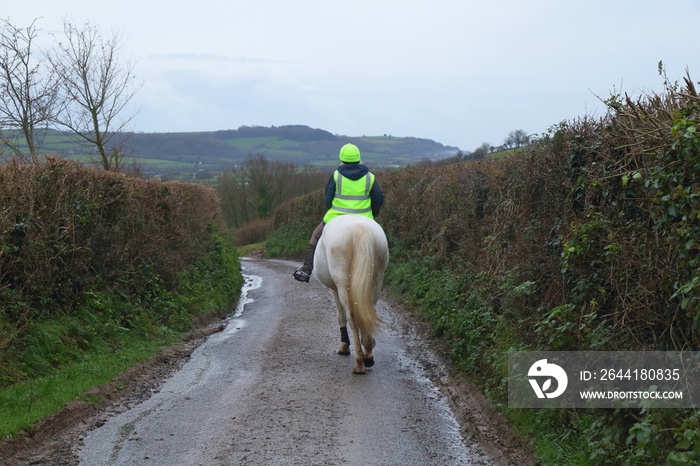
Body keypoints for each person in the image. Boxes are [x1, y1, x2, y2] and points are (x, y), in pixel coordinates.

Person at [293, 143, 384, 282]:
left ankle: (306, 270)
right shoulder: (369, 177)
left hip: (336, 216)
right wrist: (374, 214)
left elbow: (328, 199)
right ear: (359, 159)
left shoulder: (336, 176)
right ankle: (381, 275)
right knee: (382, 241)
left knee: (315, 238)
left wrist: (335, 208)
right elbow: (378, 199)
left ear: (341, 159)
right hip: (365, 217)